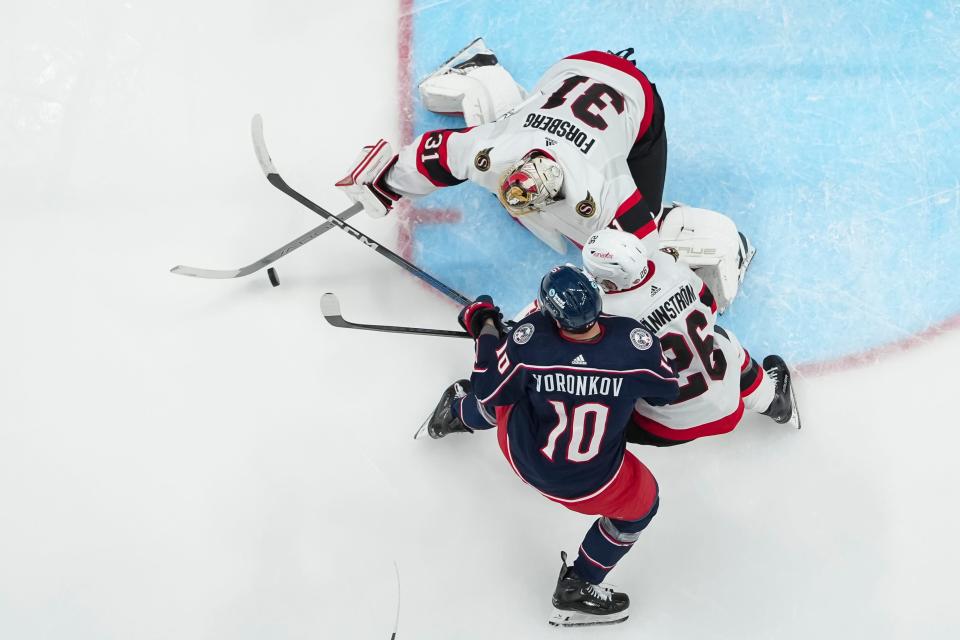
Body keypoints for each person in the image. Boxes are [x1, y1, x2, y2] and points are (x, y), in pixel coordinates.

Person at [336, 38, 754, 311]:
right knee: (514, 125)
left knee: (649, 230)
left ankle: (726, 245)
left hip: (634, 95)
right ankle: (478, 70)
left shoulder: (603, 190)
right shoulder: (496, 153)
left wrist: (386, 179)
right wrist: (387, 182)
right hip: (569, 72)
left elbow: (644, 264)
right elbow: (438, 156)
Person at [424, 264, 680, 626]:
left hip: (523, 452)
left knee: (509, 393)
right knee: (641, 507)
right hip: (591, 483)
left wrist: (484, 327)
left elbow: (489, 388)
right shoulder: (633, 341)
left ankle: (453, 415)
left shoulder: (531, 341)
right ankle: (578, 586)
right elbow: (667, 392)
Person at [580, 229, 800, 444]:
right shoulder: (669, 265)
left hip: (668, 427)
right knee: (723, 339)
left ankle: (586, 457)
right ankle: (774, 403)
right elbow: (710, 309)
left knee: (601, 395)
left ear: (609, 280)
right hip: (727, 402)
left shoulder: (606, 314)